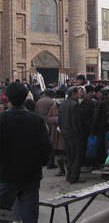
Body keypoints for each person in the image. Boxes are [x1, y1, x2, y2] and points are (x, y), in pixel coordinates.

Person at [0, 82, 51, 223]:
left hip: (7, 175)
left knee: (3, 211)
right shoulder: (37, 121)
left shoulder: (2, 120)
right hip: (31, 175)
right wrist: (39, 163)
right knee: (29, 214)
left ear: (8, 98)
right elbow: (46, 147)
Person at [58, 86, 84, 183]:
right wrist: (79, 133)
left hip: (65, 133)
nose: (79, 94)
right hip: (74, 134)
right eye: (77, 93)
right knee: (76, 156)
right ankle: (74, 176)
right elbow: (76, 122)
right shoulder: (74, 105)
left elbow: (60, 121)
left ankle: (69, 175)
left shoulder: (63, 104)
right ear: (73, 94)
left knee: (69, 156)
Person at [48, 90, 66, 177]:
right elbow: (49, 118)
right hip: (56, 133)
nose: (59, 100)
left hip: (64, 132)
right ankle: (61, 170)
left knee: (65, 152)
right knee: (58, 154)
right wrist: (55, 119)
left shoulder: (66, 105)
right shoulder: (53, 107)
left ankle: (68, 170)